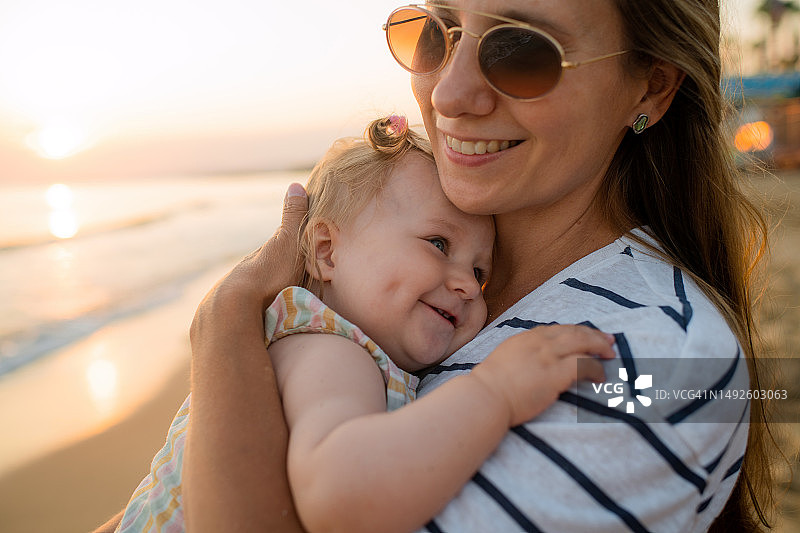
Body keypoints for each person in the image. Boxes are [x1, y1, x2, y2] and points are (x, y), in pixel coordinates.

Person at [173, 1, 776, 532]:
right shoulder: (389, 297)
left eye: (520, 49)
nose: (447, 94)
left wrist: (224, 322)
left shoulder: (657, 358)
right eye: (434, 32)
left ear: (651, 88)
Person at [109, 117, 616, 533]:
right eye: (438, 244)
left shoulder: (681, 366)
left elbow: (680, 393)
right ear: (328, 251)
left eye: (481, 274)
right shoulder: (329, 350)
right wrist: (496, 393)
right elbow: (339, 495)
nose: (466, 283)